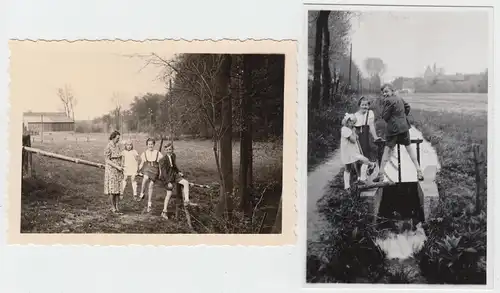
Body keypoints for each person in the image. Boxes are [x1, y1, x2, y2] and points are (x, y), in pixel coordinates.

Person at [375, 84, 424, 182]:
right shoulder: (399, 98)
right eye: (383, 92)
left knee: (387, 151)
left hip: (393, 129)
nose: (385, 94)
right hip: (404, 127)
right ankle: (419, 171)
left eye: (386, 91)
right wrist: (401, 117)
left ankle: (380, 174)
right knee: (409, 149)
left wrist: (392, 118)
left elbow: (384, 116)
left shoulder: (387, 101)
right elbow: (407, 107)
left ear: (392, 91)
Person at [159, 143, 195, 220]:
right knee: (169, 194)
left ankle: (187, 201)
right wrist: (168, 182)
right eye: (167, 150)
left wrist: (179, 172)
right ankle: (164, 211)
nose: (169, 151)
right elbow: (164, 172)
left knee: (185, 182)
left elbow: (174, 166)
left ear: (172, 150)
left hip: (174, 175)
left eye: (170, 149)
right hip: (167, 177)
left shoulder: (173, 156)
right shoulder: (162, 160)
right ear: (165, 150)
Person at [340, 113, 376, 190]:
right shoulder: (345, 130)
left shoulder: (349, 129)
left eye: (354, 123)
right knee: (363, 161)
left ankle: (353, 183)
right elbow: (353, 140)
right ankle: (360, 179)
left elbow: (356, 137)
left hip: (351, 151)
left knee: (350, 167)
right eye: (352, 122)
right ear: (348, 122)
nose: (353, 124)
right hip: (349, 152)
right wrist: (353, 132)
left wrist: (354, 132)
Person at [138, 138, 163, 213]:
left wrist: (161, 173)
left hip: (155, 169)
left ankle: (149, 204)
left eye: (152, 144)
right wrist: (138, 170)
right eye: (149, 144)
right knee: (145, 178)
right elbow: (142, 163)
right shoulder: (145, 153)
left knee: (151, 185)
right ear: (147, 145)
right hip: (147, 169)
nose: (150, 146)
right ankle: (142, 194)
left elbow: (160, 165)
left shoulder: (158, 153)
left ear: (154, 145)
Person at [353, 96, 382, 161]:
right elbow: (353, 128)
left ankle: (369, 166)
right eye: (362, 105)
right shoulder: (355, 115)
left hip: (366, 137)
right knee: (358, 153)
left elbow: (371, 126)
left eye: (366, 105)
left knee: (368, 151)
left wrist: (375, 137)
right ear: (359, 106)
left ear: (368, 106)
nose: (364, 107)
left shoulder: (370, 113)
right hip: (357, 137)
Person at [104, 130, 124, 214]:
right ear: (113, 137)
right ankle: (113, 208)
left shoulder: (118, 146)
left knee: (118, 189)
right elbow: (107, 160)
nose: (118, 140)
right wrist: (117, 166)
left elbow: (121, 155)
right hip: (112, 169)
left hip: (119, 169)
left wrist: (122, 165)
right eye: (117, 138)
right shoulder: (108, 146)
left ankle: (117, 206)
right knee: (112, 189)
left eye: (119, 138)